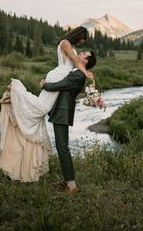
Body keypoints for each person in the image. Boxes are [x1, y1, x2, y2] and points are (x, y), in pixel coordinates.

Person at [0, 26, 94, 182]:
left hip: (59, 77)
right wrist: (86, 72)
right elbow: (76, 60)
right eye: (83, 39)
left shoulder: (70, 45)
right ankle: (15, 90)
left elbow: (76, 62)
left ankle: (14, 100)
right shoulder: (65, 43)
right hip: (59, 76)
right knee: (41, 107)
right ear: (78, 36)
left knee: (41, 106)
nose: (83, 43)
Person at [41, 51, 96, 194]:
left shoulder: (78, 75)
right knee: (61, 147)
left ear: (86, 61)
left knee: (62, 147)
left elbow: (59, 85)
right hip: (61, 111)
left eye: (84, 54)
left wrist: (44, 85)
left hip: (62, 112)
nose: (81, 53)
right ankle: (67, 181)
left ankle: (72, 186)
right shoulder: (77, 71)